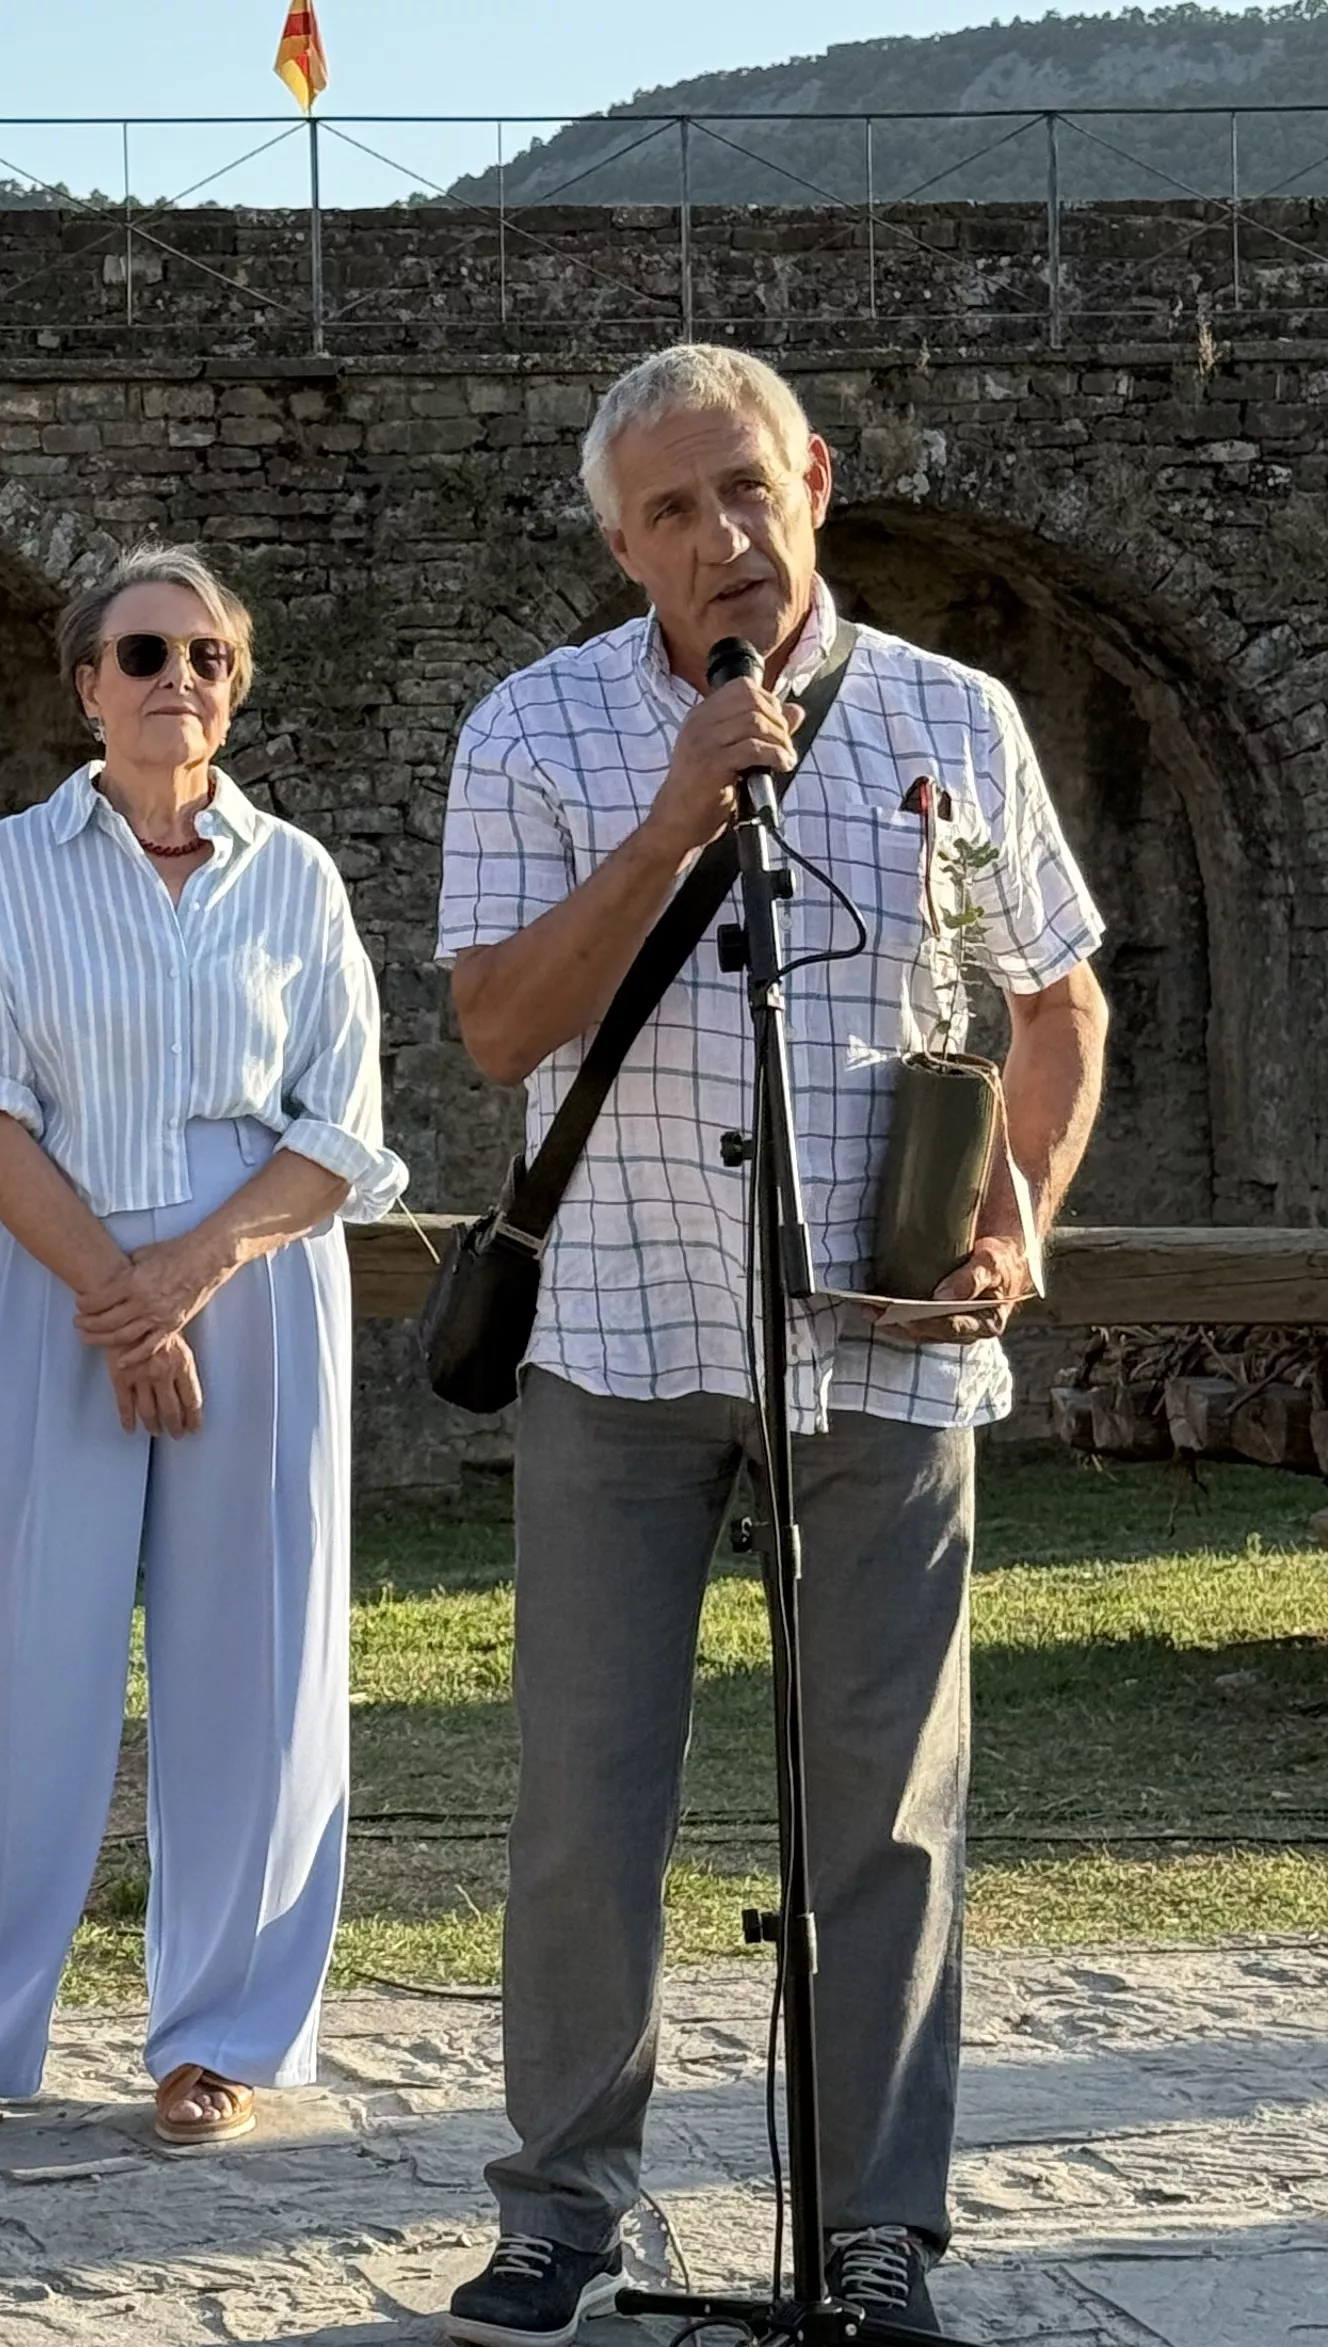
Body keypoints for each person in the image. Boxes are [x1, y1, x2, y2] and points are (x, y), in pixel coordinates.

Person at [433, 344, 1108, 2346]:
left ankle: (877, 2227)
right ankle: (565, 2207)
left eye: (743, 488)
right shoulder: (535, 734)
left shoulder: (951, 723)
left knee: (887, 1810)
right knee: (584, 1802)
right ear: (620, 543)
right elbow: (493, 1026)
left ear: (812, 474)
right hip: (623, 1338)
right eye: (668, 511)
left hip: (885, 1346)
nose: (719, 538)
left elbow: (1054, 997)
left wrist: (1025, 1213)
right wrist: (663, 825)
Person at [0, 545, 410, 2154]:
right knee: (20, 1652)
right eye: (145, 653)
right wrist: (117, 1288)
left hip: (258, 1284)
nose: (179, 683)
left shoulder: (296, 876)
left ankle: (221, 2032)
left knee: (260, 1659)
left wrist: (189, 1275)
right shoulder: (13, 868)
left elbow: (340, 1129)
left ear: (236, 686)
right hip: (56, 1276)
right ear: (85, 682)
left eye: (208, 657)